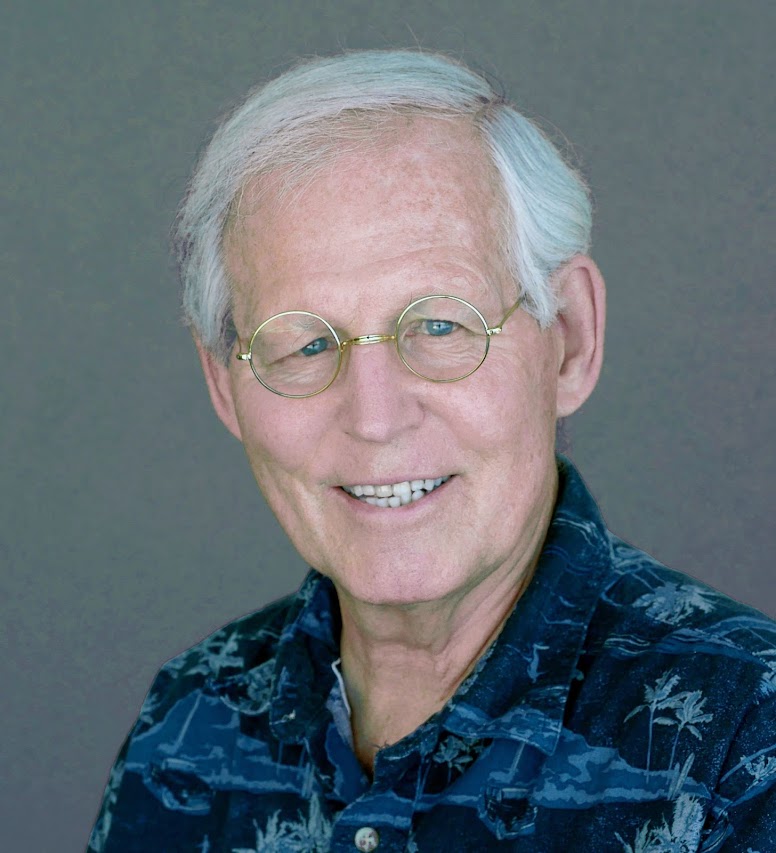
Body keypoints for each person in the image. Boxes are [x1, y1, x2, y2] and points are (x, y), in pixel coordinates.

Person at [88, 50, 776, 852]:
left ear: (569, 339)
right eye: (307, 344)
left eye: (440, 325)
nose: (375, 418)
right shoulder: (186, 727)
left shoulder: (743, 744)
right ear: (223, 383)